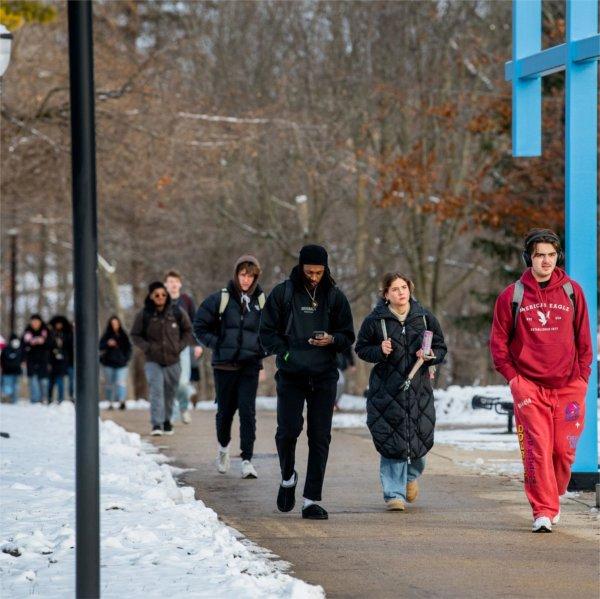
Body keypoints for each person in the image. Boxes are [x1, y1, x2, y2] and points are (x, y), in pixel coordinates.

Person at [490, 228, 592, 533]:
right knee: (537, 447)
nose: (546, 261)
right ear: (528, 258)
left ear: (557, 256)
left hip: (568, 387)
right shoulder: (513, 295)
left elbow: (585, 341)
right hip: (529, 387)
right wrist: (513, 379)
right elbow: (498, 343)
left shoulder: (572, 291)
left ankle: (553, 493)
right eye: (539, 255)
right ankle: (543, 510)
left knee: (563, 450)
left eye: (550, 255)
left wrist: (583, 378)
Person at [260, 244, 355, 520]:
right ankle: (288, 477)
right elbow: (266, 333)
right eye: (309, 271)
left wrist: (333, 339)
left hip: (324, 375)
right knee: (287, 431)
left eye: (319, 272)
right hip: (291, 374)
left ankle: (311, 499)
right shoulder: (283, 293)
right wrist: (287, 352)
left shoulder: (335, 297)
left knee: (320, 436)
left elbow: (348, 335)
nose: (314, 277)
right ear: (301, 267)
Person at [355, 272, 446, 511]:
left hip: (419, 390)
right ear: (386, 295)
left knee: (420, 440)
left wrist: (430, 356)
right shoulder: (375, 321)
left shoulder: (424, 318)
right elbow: (361, 349)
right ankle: (393, 494)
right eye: (394, 289)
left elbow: (440, 346)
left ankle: (410, 477)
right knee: (391, 442)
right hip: (387, 390)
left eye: (404, 287)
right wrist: (379, 350)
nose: (401, 292)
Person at [194, 256, 265, 479]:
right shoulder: (220, 299)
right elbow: (199, 325)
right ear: (236, 274)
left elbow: (275, 331)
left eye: (250, 275)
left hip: (250, 366)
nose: (246, 279)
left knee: (248, 412)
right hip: (224, 366)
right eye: (243, 274)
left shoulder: (262, 302)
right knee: (225, 412)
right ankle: (223, 448)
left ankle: (247, 460)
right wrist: (218, 344)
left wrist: (260, 350)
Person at [131, 281, 194, 436]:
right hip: (153, 361)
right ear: (151, 296)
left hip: (173, 360)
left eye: (163, 294)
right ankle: (156, 424)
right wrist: (147, 348)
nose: (160, 297)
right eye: (157, 295)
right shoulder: (145, 314)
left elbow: (188, 330)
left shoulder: (177, 312)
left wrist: (179, 346)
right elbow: (135, 335)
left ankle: (167, 421)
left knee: (170, 392)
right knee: (156, 391)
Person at [164, 270, 203, 424]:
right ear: (166, 284)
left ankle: (184, 408)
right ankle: (172, 413)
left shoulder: (187, 300)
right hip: (166, 348)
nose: (173, 284)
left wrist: (198, 344)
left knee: (182, 382)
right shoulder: (161, 300)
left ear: (180, 284)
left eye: (176, 281)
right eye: (170, 281)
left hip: (185, 347)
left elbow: (196, 322)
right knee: (169, 381)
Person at [99, 315, 132, 410]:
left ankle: (121, 401)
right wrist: (107, 344)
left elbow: (129, 348)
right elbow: (100, 346)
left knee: (121, 382)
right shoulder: (106, 335)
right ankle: (110, 402)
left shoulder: (123, 335)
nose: (114, 325)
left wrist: (126, 358)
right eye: (113, 323)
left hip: (121, 364)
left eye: (116, 323)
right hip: (108, 363)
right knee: (110, 383)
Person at [21, 314, 52, 404]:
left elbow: (51, 344)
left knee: (44, 382)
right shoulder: (27, 332)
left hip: (44, 360)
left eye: (36, 321)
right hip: (31, 360)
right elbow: (22, 347)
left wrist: (43, 341)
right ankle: (35, 401)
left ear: (40, 322)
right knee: (33, 381)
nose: (35, 323)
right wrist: (23, 359)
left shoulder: (46, 331)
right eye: (33, 322)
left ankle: (44, 399)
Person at [48, 316, 73, 404]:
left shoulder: (67, 334)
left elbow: (70, 346)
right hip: (52, 361)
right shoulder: (51, 334)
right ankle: (50, 398)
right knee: (51, 382)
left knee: (61, 381)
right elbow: (49, 347)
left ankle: (61, 399)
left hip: (63, 362)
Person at [1, 334, 23, 404]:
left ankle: (14, 401)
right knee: (7, 387)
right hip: (7, 372)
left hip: (17, 371)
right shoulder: (6, 349)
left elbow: (23, 359)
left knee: (16, 387)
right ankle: (6, 399)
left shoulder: (20, 349)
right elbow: (2, 360)